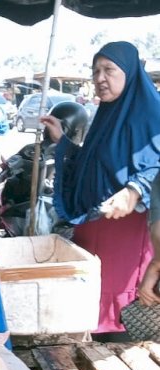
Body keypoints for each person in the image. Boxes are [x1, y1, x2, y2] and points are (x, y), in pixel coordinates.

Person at [41, 41, 160, 336]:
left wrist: (135, 189)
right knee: (90, 301)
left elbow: (156, 162)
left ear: (130, 72)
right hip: (94, 225)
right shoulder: (107, 115)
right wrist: (63, 142)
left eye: (109, 70)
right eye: (95, 71)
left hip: (126, 230)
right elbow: (92, 164)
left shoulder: (151, 116)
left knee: (118, 309)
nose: (99, 78)